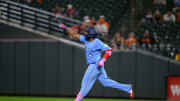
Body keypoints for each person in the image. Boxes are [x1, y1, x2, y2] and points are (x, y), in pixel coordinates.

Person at [58, 22, 134, 101]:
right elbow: (74, 34)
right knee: (105, 82)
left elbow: (109, 50)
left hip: (95, 65)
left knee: (84, 85)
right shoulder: (86, 39)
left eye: (87, 32)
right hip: (96, 65)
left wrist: (103, 60)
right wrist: (65, 27)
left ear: (91, 34)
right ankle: (128, 88)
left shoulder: (97, 42)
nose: (86, 33)